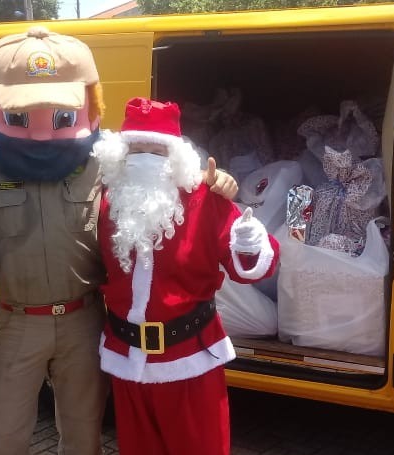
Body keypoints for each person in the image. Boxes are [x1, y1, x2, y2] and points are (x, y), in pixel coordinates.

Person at [0, 26, 239, 455]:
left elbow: (162, 183)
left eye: (61, 115)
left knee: (83, 434)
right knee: (4, 436)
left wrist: (216, 182)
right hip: (17, 322)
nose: (39, 131)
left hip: (83, 320)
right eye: (18, 116)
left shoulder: (101, 167)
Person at [91, 97, 278, 455]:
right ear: (121, 153)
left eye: (157, 149)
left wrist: (251, 242)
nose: (145, 157)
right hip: (127, 361)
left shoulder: (205, 199)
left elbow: (252, 268)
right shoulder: (104, 202)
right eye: (137, 148)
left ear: (175, 156)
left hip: (191, 360)